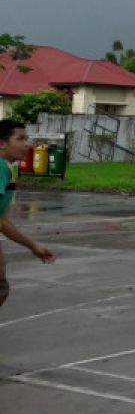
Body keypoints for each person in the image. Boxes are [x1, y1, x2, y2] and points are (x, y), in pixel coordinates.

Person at [0, 120, 56, 309]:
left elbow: (2, 220)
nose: (27, 144)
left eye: (27, 138)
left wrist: (32, 245)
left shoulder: (6, 168)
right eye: (20, 138)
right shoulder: (0, 168)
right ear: (2, 143)